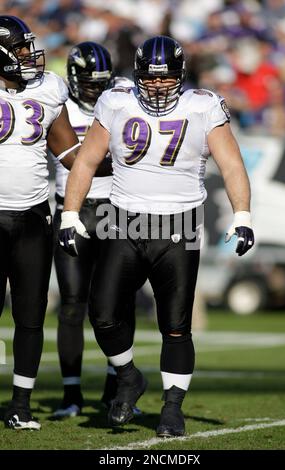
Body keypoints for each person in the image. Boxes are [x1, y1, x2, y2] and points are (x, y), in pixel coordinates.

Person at [59, 36, 255, 437]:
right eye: (151, 78)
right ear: (138, 74)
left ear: (181, 76)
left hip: (178, 224)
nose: (160, 87)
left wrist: (243, 214)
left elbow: (232, 164)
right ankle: (129, 376)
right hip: (124, 218)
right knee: (103, 312)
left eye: (167, 79)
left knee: (176, 324)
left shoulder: (202, 105)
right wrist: (69, 214)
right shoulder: (116, 101)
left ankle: (172, 407)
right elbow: (86, 162)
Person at [0, 15, 80, 430]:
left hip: (33, 214)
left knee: (30, 316)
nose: (29, 55)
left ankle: (20, 404)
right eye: (20, 48)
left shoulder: (48, 88)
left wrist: (121, 160)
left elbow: (69, 154)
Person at [52, 41, 136, 418]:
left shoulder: (122, 95)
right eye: (88, 82)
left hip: (115, 209)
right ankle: (71, 395)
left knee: (118, 302)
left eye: (100, 82)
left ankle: (115, 390)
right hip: (71, 208)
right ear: (73, 78)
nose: (94, 89)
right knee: (71, 305)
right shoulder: (57, 103)